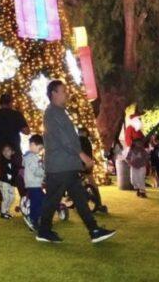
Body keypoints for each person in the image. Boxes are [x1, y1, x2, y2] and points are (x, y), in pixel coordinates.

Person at [36, 80, 115, 244]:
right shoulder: (52, 113)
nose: (67, 94)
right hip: (60, 166)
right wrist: (82, 155)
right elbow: (64, 139)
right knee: (53, 200)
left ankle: (94, 230)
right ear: (53, 94)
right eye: (63, 91)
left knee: (79, 199)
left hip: (66, 165)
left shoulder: (59, 112)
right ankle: (44, 230)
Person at [0, 93, 30, 211]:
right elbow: (26, 131)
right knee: (19, 176)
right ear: (11, 103)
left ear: (0, 103)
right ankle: (26, 202)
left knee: (2, 178)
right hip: (14, 151)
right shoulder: (16, 115)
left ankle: (3, 206)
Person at [78, 127, 107, 212]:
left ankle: (84, 200)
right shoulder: (87, 141)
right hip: (88, 164)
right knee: (92, 184)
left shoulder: (80, 140)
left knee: (78, 183)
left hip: (81, 165)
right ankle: (99, 203)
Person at [22, 134, 46, 231]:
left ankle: (35, 219)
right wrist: (44, 171)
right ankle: (33, 219)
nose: (40, 151)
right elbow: (36, 171)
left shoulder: (30, 156)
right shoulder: (31, 157)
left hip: (34, 183)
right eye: (39, 148)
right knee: (37, 202)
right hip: (34, 183)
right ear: (32, 145)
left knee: (39, 201)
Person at [0, 144, 19, 218]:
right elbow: (4, 170)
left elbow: (16, 170)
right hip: (4, 182)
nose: (6, 152)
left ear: (12, 152)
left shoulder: (13, 161)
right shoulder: (2, 162)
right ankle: (3, 212)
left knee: (12, 197)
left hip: (11, 183)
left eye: (8, 150)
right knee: (6, 197)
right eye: (4, 150)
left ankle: (6, 210)